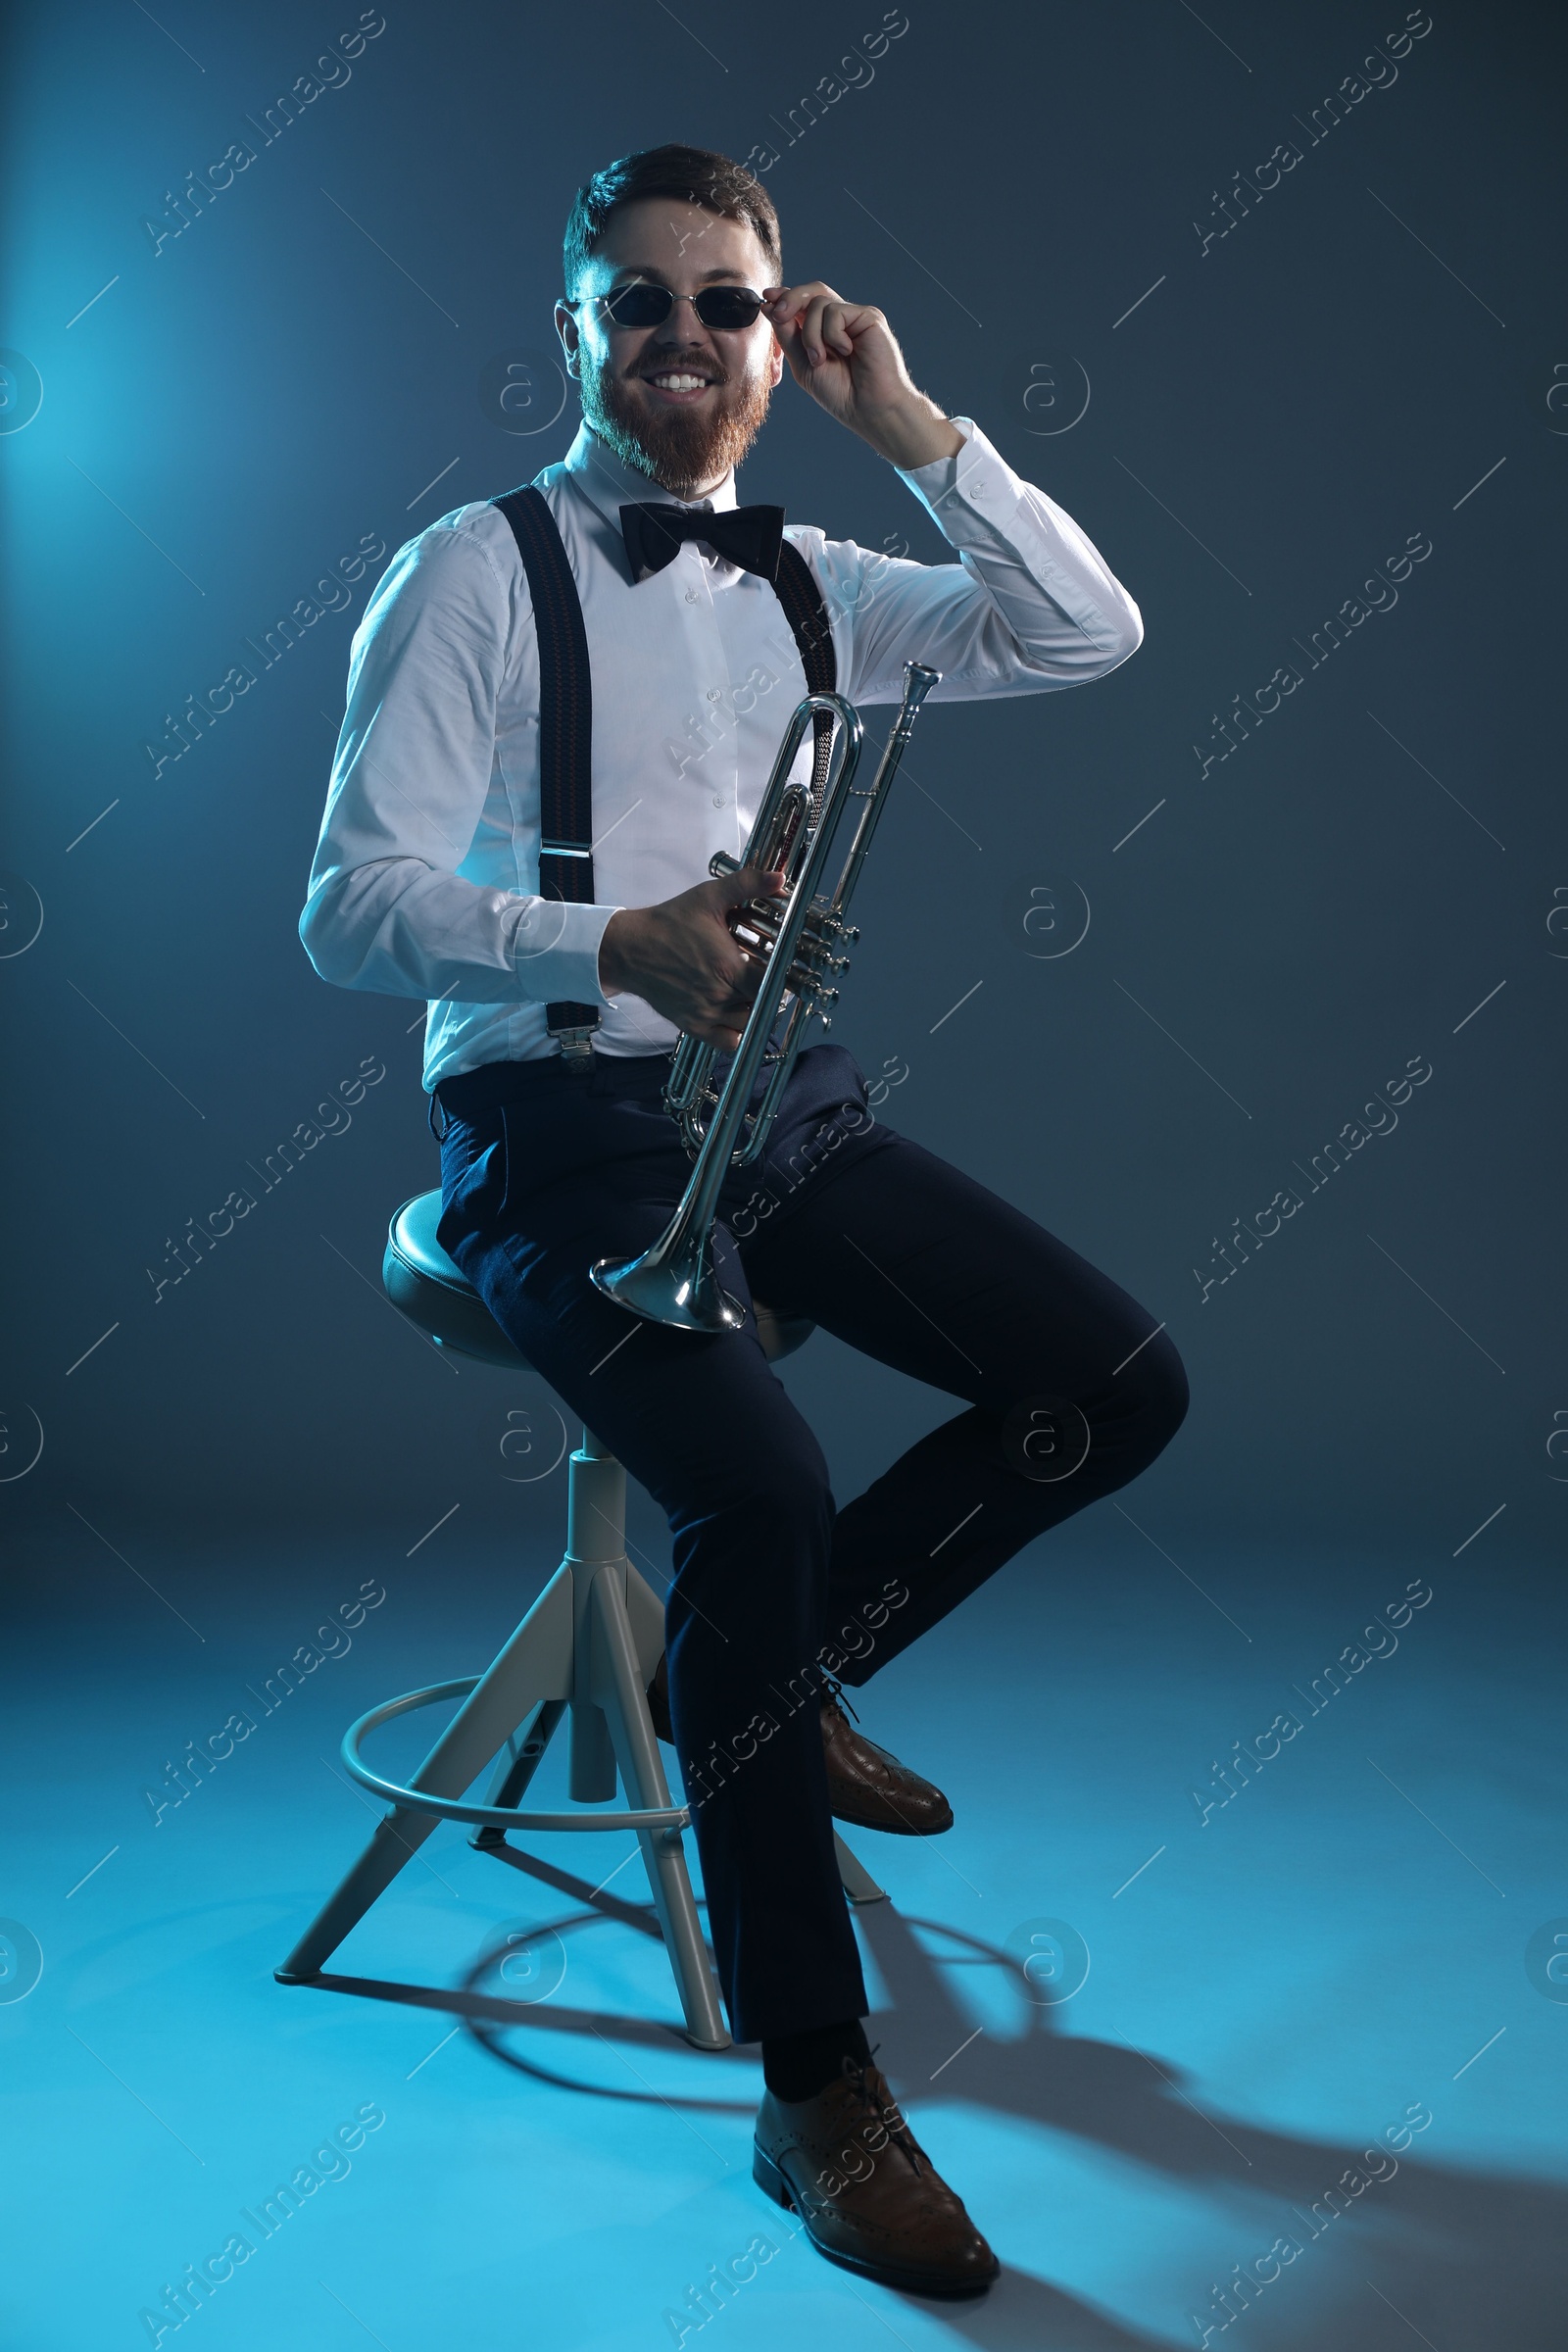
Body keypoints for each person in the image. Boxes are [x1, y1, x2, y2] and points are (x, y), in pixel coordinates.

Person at [300, 142, 1188, 2298]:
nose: (681, 341)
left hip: (774, 1113)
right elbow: (347, 909)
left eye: (724, 304)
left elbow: (1089, 629)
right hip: (551, 1133)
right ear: (576, 332)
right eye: (640, 303)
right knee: (760, 1487)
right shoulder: (467, 571)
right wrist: (617, 944)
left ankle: (780, 1682)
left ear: (777, 341)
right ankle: (815, 2093)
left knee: (1111, 1386)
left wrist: (915, 429)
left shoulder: (826, 577)